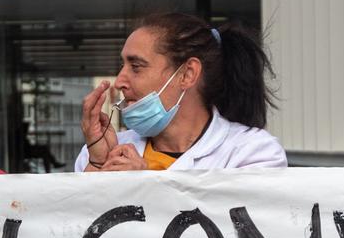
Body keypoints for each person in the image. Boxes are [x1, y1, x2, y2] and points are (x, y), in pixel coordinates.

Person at [76, 13, 287, 172]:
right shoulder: (100, 151)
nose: (120, 81)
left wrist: (144, 186)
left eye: (136, 66)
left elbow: (230, 226)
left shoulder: (253, 152)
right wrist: (97, 164)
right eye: (122, 66)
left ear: (187, 74)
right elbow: (72, 226)